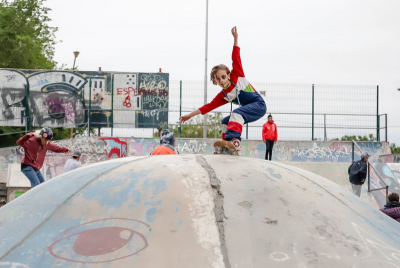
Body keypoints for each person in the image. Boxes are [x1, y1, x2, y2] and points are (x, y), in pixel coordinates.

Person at [179, 26, 266, 152]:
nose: (222, 81)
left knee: (236, 114)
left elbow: (235, 56)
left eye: (223, 77)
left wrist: (235, 38)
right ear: (215, 81)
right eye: (218, 79)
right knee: (225, 121)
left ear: (229, 75)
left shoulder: (237, 75)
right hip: (247, 110)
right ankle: (226, 146)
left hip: (259, 105)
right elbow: (207, 107)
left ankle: (235, 142)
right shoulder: (224, 95)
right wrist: (189, 115)